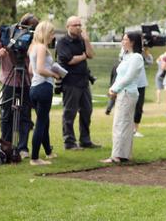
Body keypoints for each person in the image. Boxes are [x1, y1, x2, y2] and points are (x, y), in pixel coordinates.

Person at [0, 13, 36, 158]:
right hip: (9, 79)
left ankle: (23, 147)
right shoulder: (7, 33)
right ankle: (6, 144)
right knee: (6, 113)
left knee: (25, 114)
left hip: (26, 80)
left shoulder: (33, 36)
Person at [56, 16, 100, 150]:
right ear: (68, 27)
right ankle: (69, 142)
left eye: (80, 25)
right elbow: (69, 60)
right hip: (70, 82)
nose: (79, 27)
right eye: (76, 25)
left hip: (84, 81)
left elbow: (91, 55)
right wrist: (84, 56)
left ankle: (85, 140)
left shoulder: (82, 40)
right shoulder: (63, 42)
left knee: (87, 111)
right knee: (70, 112)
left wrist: (86, 41)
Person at [101, 33, 145, 164]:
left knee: (121, 124)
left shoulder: (136, 57)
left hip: (127, 93)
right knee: (123, 123)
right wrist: (113, 88)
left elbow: (129, 77)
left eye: (125, 39)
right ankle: (123, 154)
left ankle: (117, 155)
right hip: (122, 92)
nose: (122, 41)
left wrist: (115, 89)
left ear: (132, 42)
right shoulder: (126, 57)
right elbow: (120, 76)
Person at [28, 21, 63, 165]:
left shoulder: (32, 47)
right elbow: (41, 69)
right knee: (41, 123)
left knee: (44, 121)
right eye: (51, 33)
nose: (53, 36)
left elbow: (32, 70)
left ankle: (48, 151)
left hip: (34, 88)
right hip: (43, 87)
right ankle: (35, 158)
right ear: (45, 33)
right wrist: (55, 74)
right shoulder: (42, 48)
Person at [133, 37, 153, 138]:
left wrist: (145, 52)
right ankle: (127, 129)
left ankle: (135, 129)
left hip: (141, 82)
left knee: (139, 107)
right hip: (130, 83)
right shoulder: (127, 51)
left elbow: (150, 62)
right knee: (129, 106)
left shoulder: (142, 52)